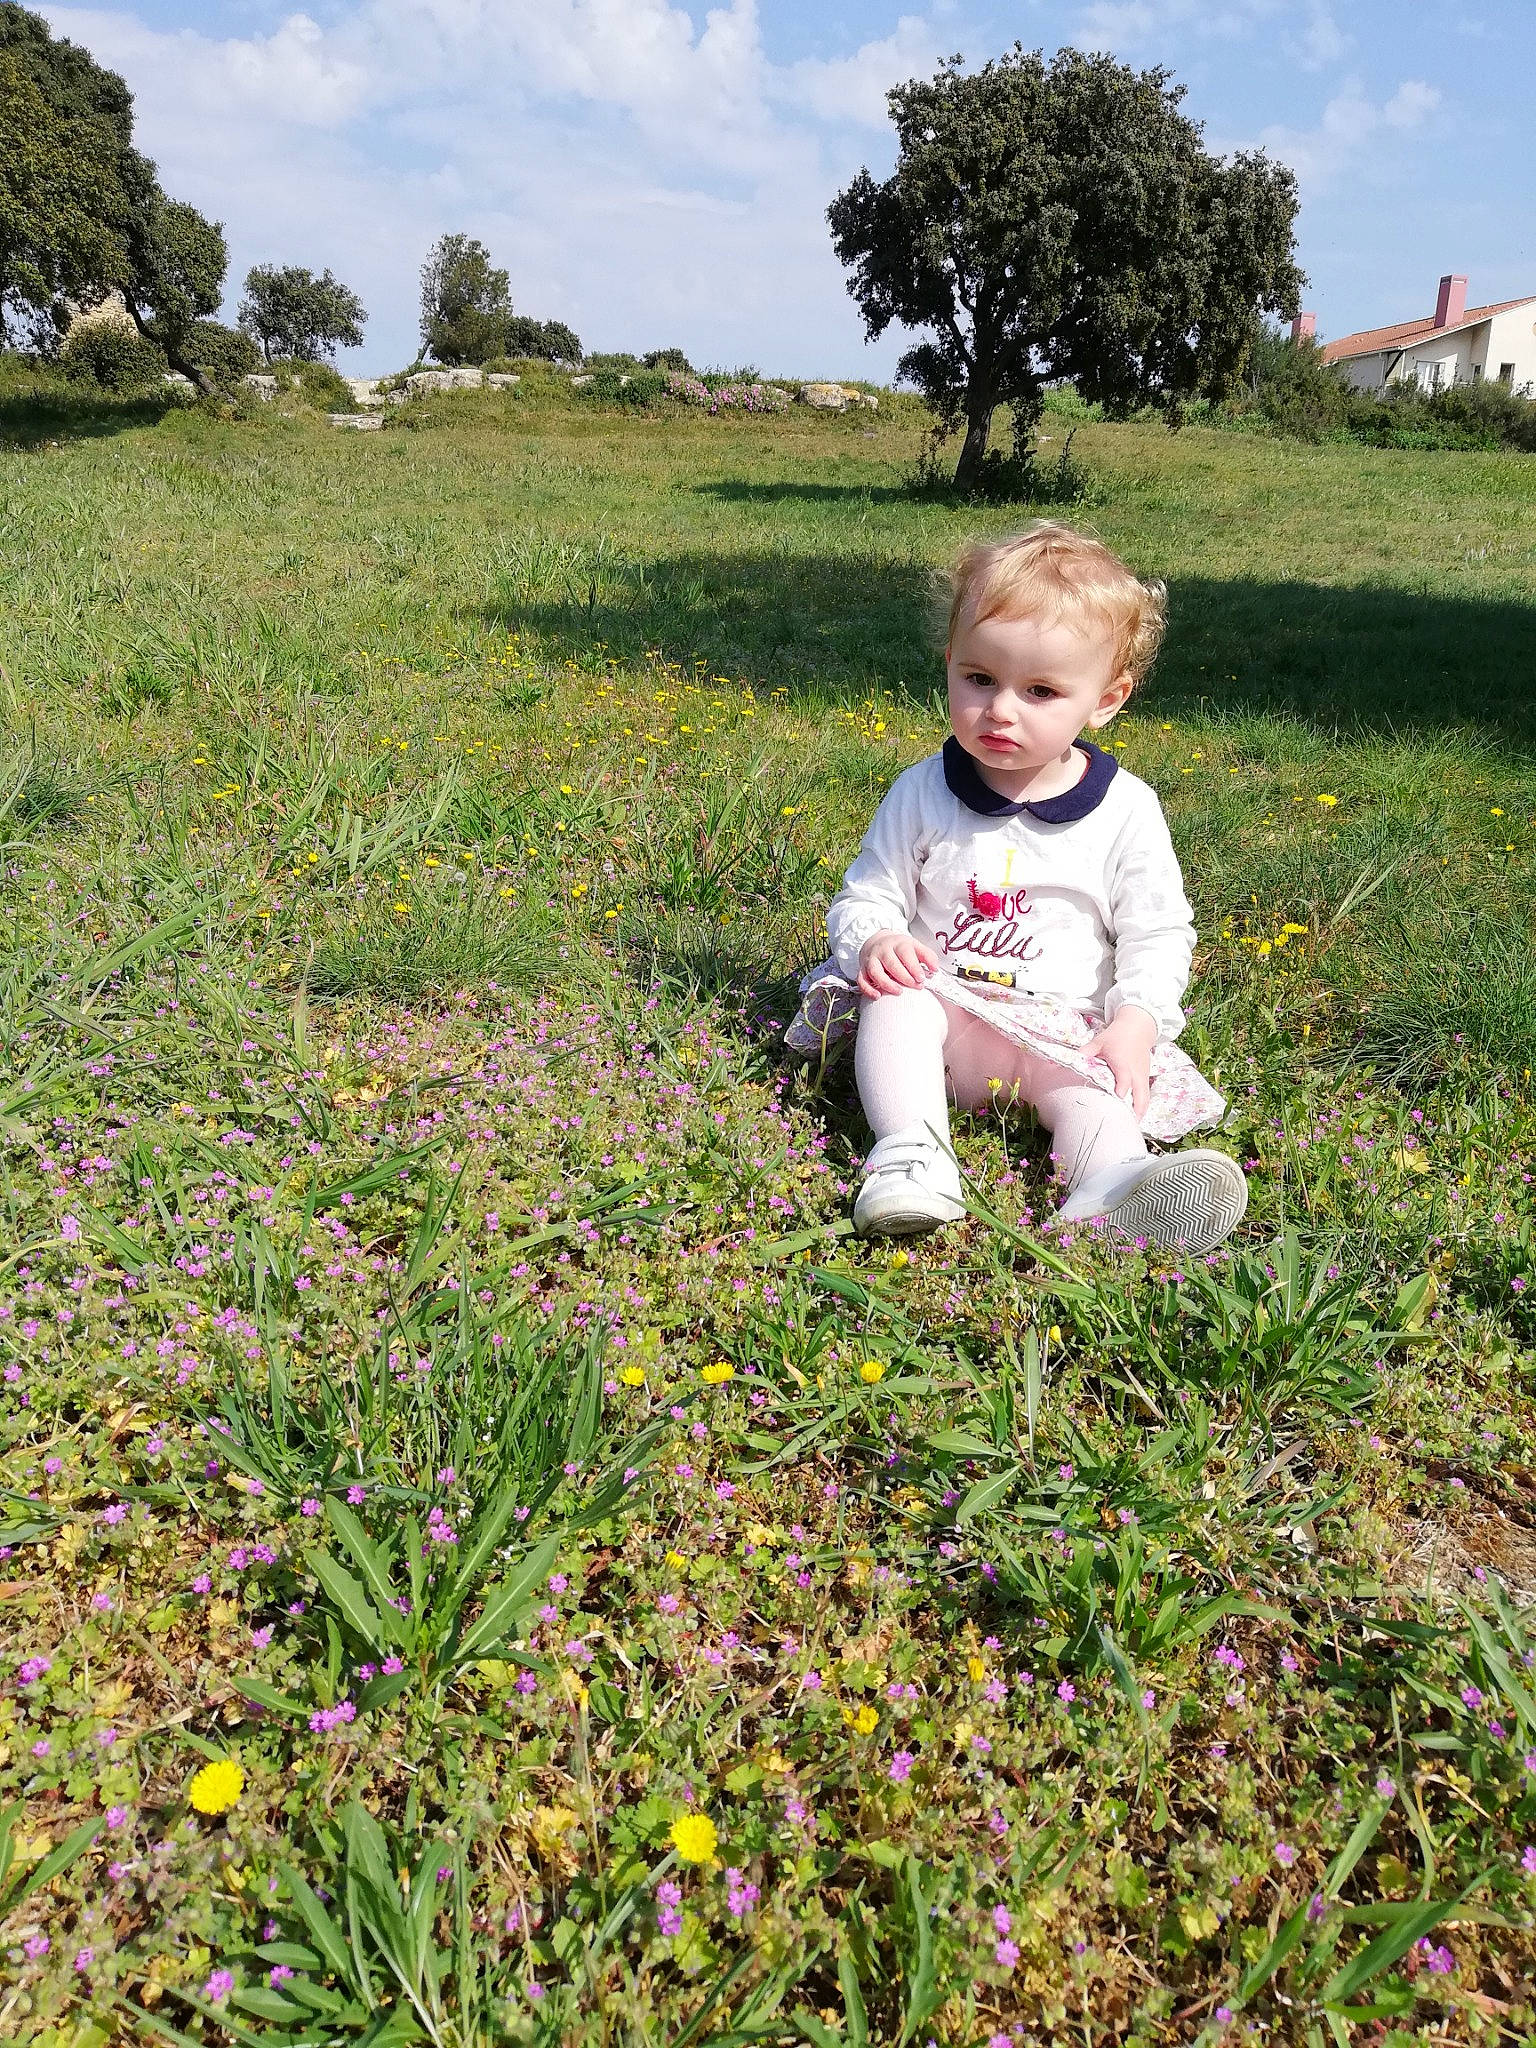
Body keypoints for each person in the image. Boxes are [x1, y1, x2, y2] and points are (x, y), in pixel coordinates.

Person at [785, 521, 1246, 1254]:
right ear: (950, 663)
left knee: (1096, 1094)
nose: (1001, 709)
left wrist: (1137, 1020)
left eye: (1040, 691)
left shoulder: (1125, 811)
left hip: (1061, 1031)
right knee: (896, 1004)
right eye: (979, 679)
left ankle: (1108, 1187)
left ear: (1107, 699)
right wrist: (877, 939)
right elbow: (867, 893)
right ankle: (912, 1153)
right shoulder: (924, 792)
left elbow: (1157, 933)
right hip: (946, 1020)